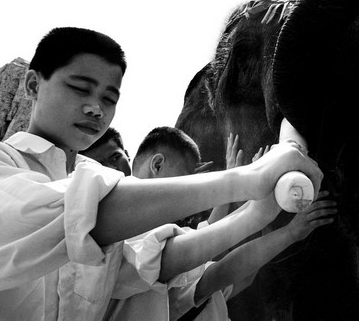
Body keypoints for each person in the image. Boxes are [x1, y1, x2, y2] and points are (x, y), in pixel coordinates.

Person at [0, 26, 323, 320]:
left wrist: (257, 212)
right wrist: (248, 180)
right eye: (80, 88)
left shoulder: (101, 189)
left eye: (110, 98)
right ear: (33, 85)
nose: (96, 108)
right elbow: (78, 214)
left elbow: (159, 264)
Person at [130, 126, 337, 320]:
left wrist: (244, 195)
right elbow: (218, 273)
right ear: (157, 164)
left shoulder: (158, 232)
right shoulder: (130, 238)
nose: (189, 186)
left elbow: (237, 275)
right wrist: (284, 228)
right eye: (186, 178)